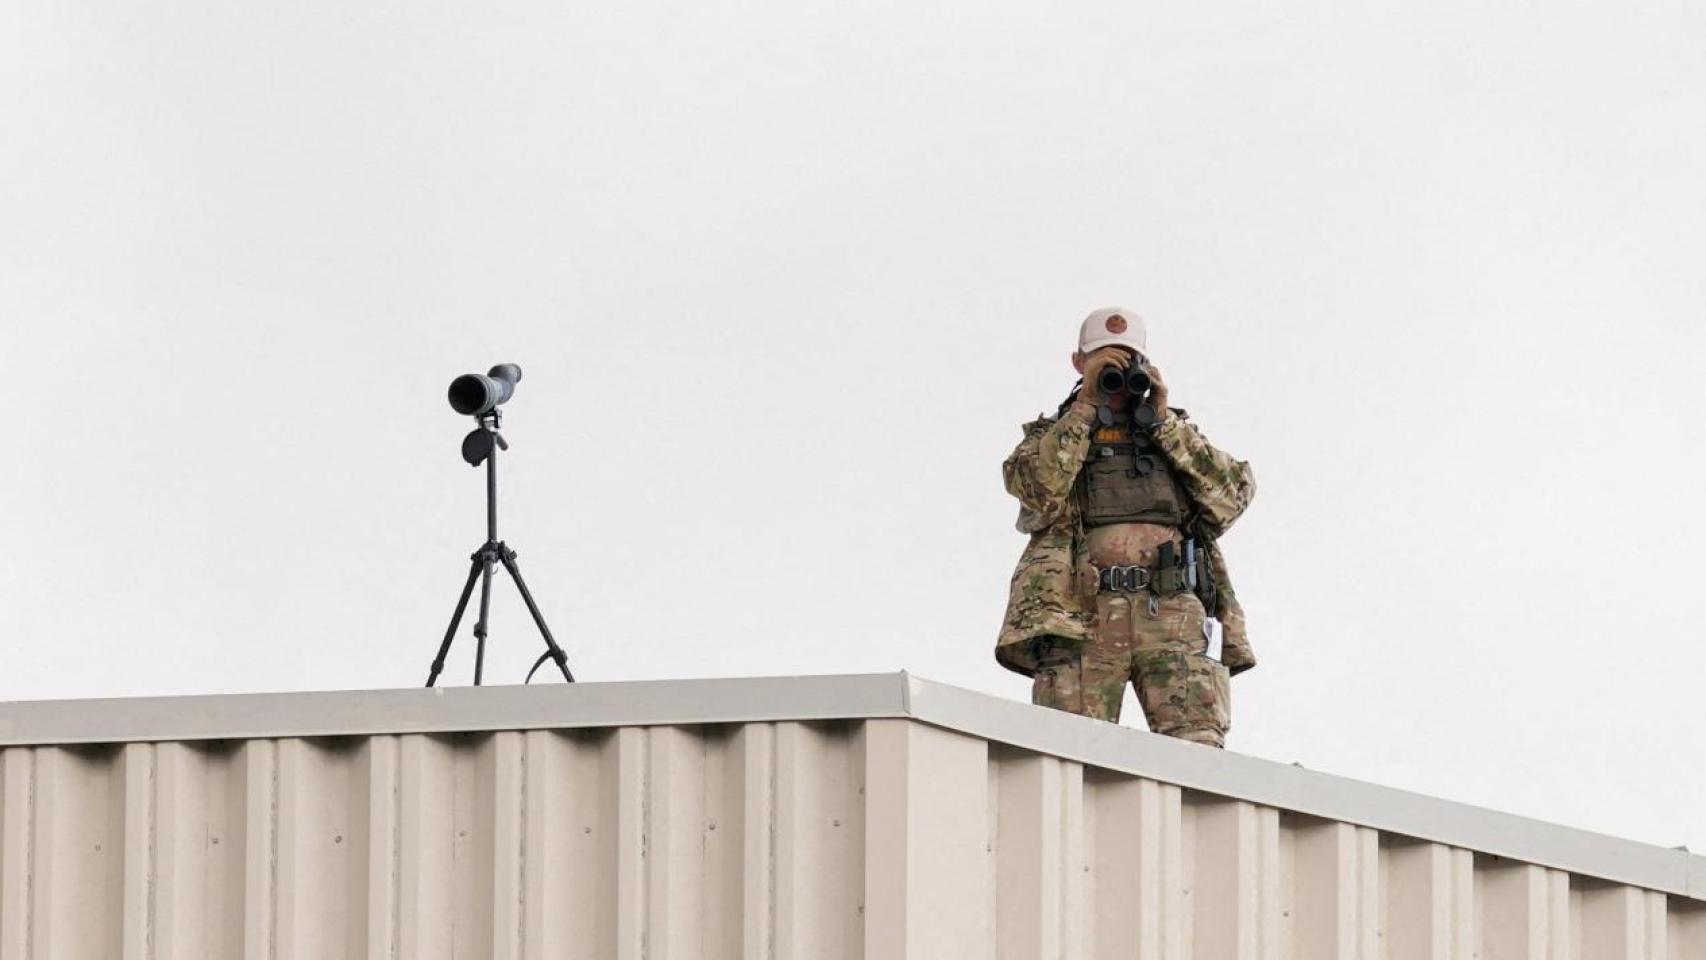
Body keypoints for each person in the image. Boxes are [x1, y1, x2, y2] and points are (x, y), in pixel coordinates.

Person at [995, 307, 1257, 747]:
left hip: (1171, 612)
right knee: (1070, 753)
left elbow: (1233, 495)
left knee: (1198, 757)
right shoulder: (1051, 436)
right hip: (1081, 615)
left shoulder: (1175, 437)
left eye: (1128, 359)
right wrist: (1085, 409)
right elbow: (1036, 488)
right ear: (1079, 363)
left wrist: (1163, 420)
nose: (1117, 371)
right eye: (1103, 360)